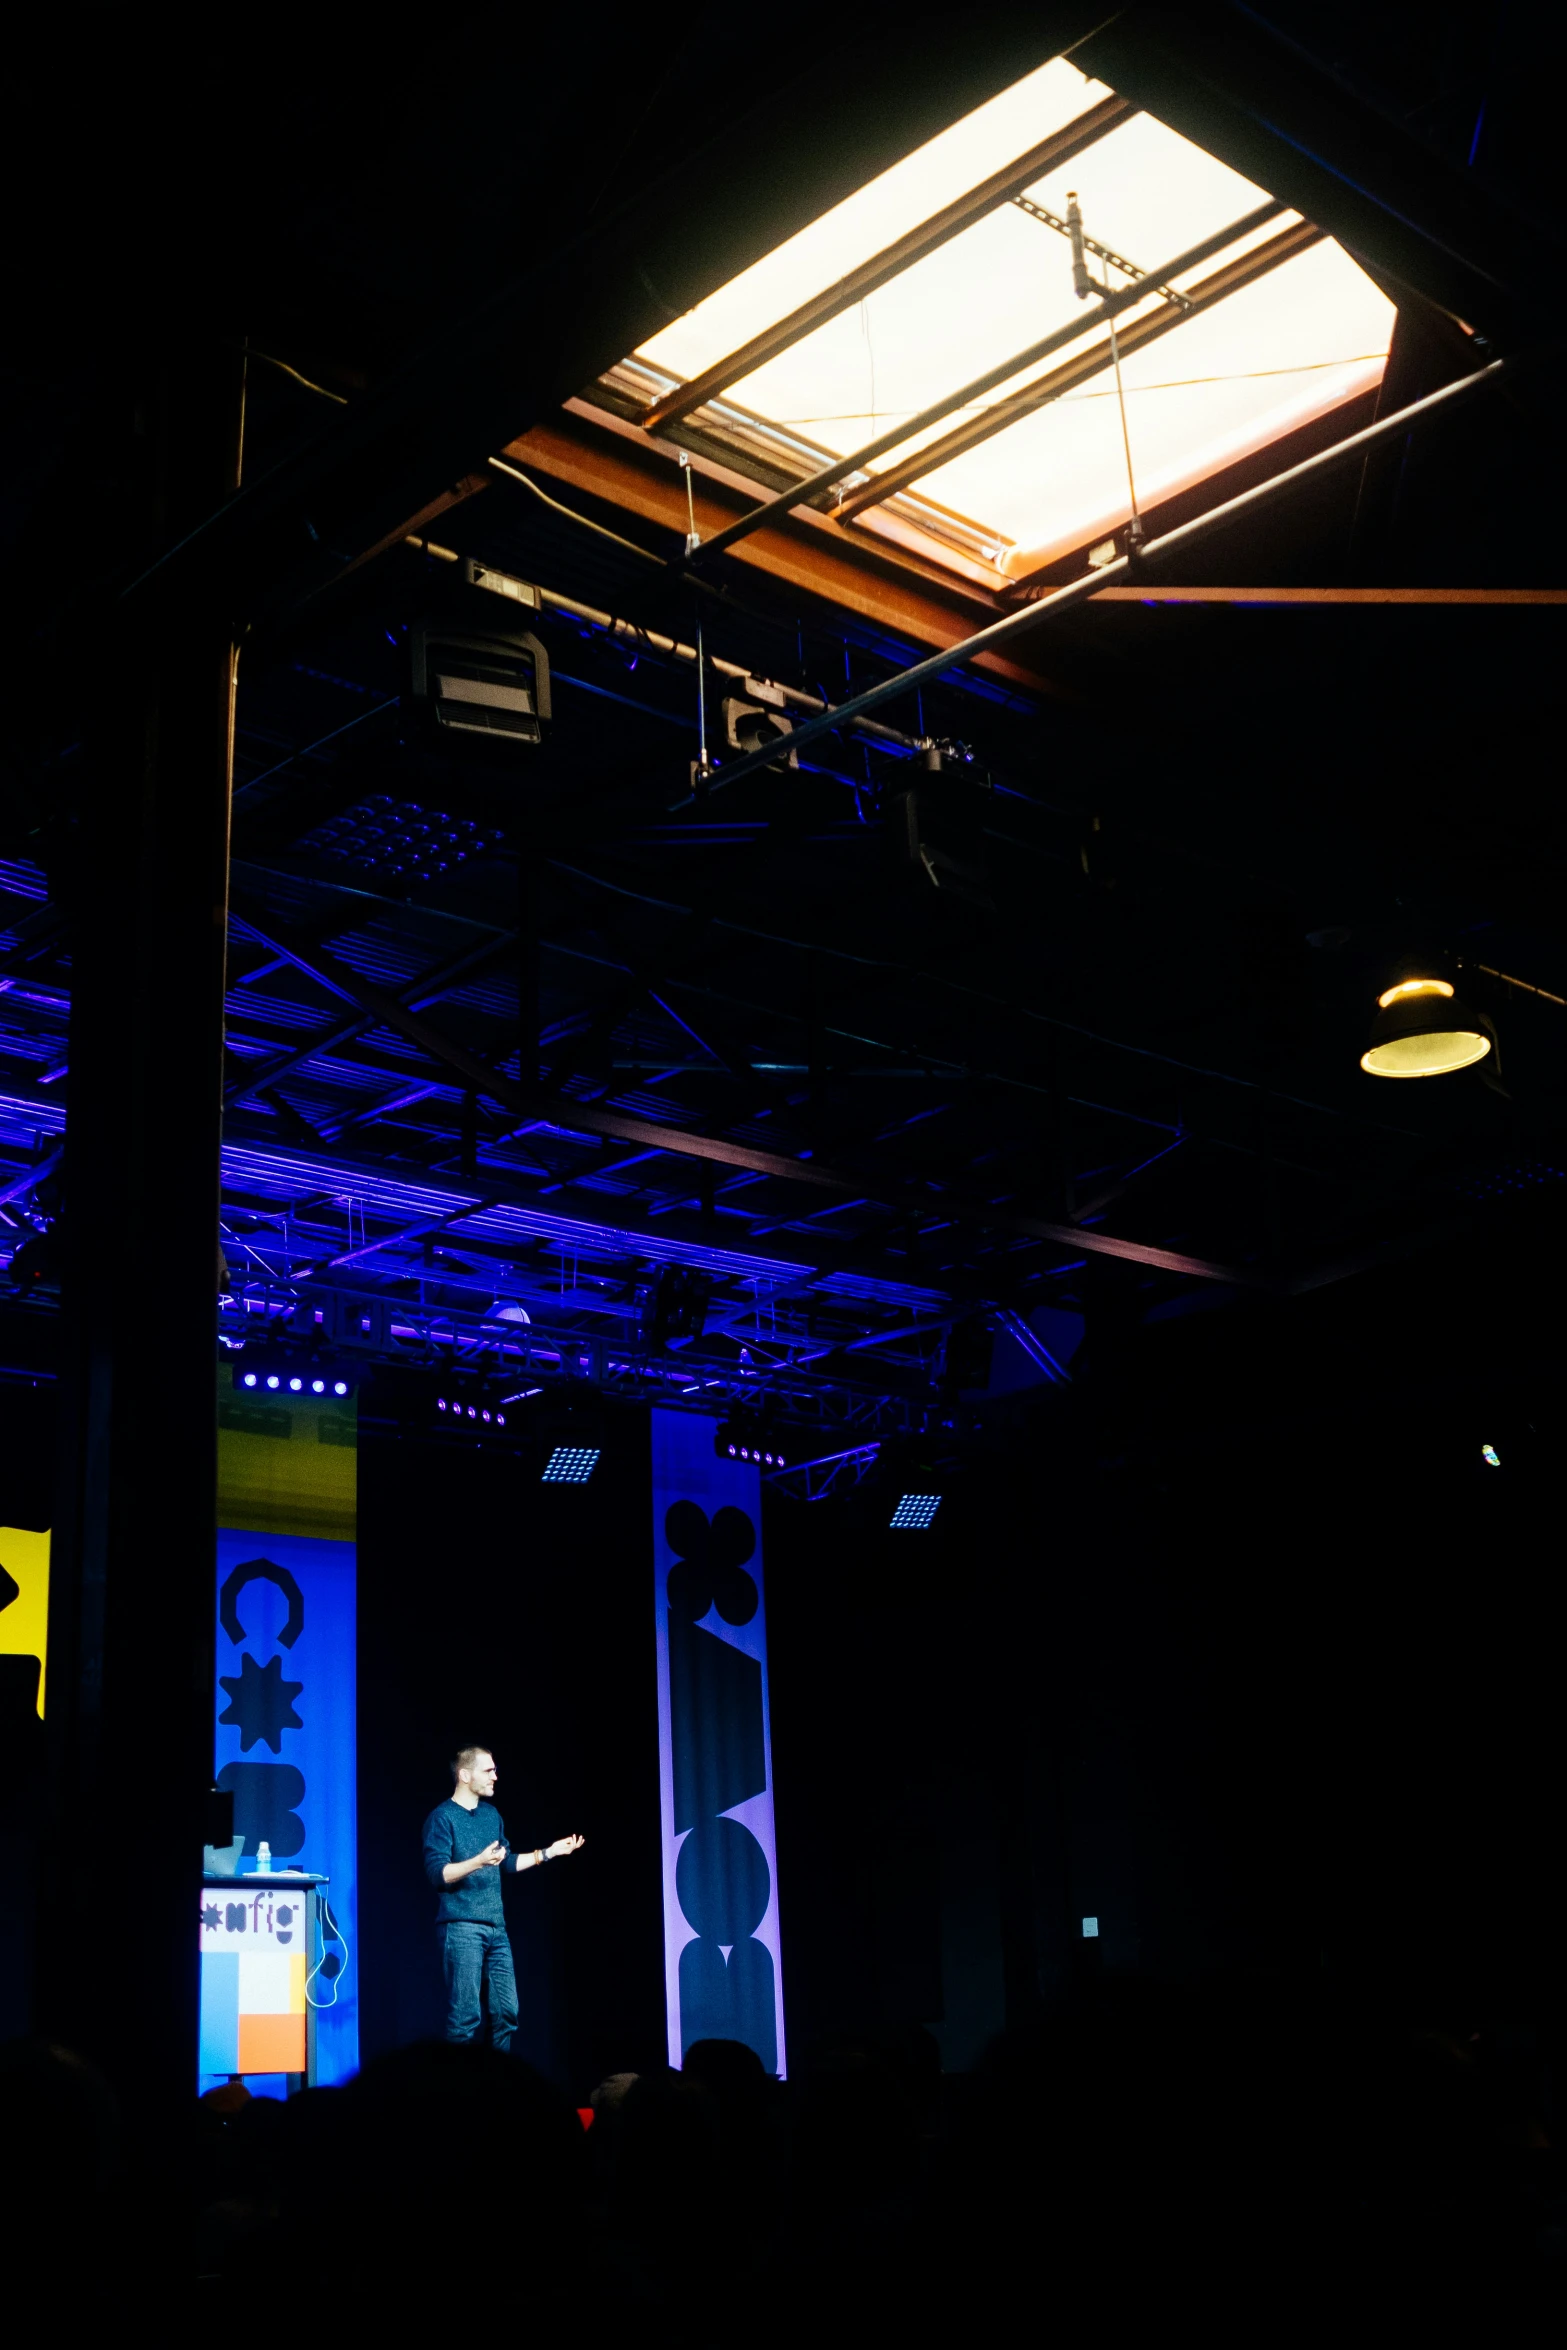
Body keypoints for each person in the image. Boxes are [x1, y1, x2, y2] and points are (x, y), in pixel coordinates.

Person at [421, 1745, 585, 2051]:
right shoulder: (442, 1818)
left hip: (496, 1928)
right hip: (461, 1927)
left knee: (507, 2013)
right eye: (489, 1770)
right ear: (465, 1775)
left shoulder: (491, 1815)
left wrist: (548, 1853)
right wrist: (477, 1861)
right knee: (465, 2018)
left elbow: (505, 1861)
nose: (495, 1776)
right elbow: (437, 1874)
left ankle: (496, 2088)